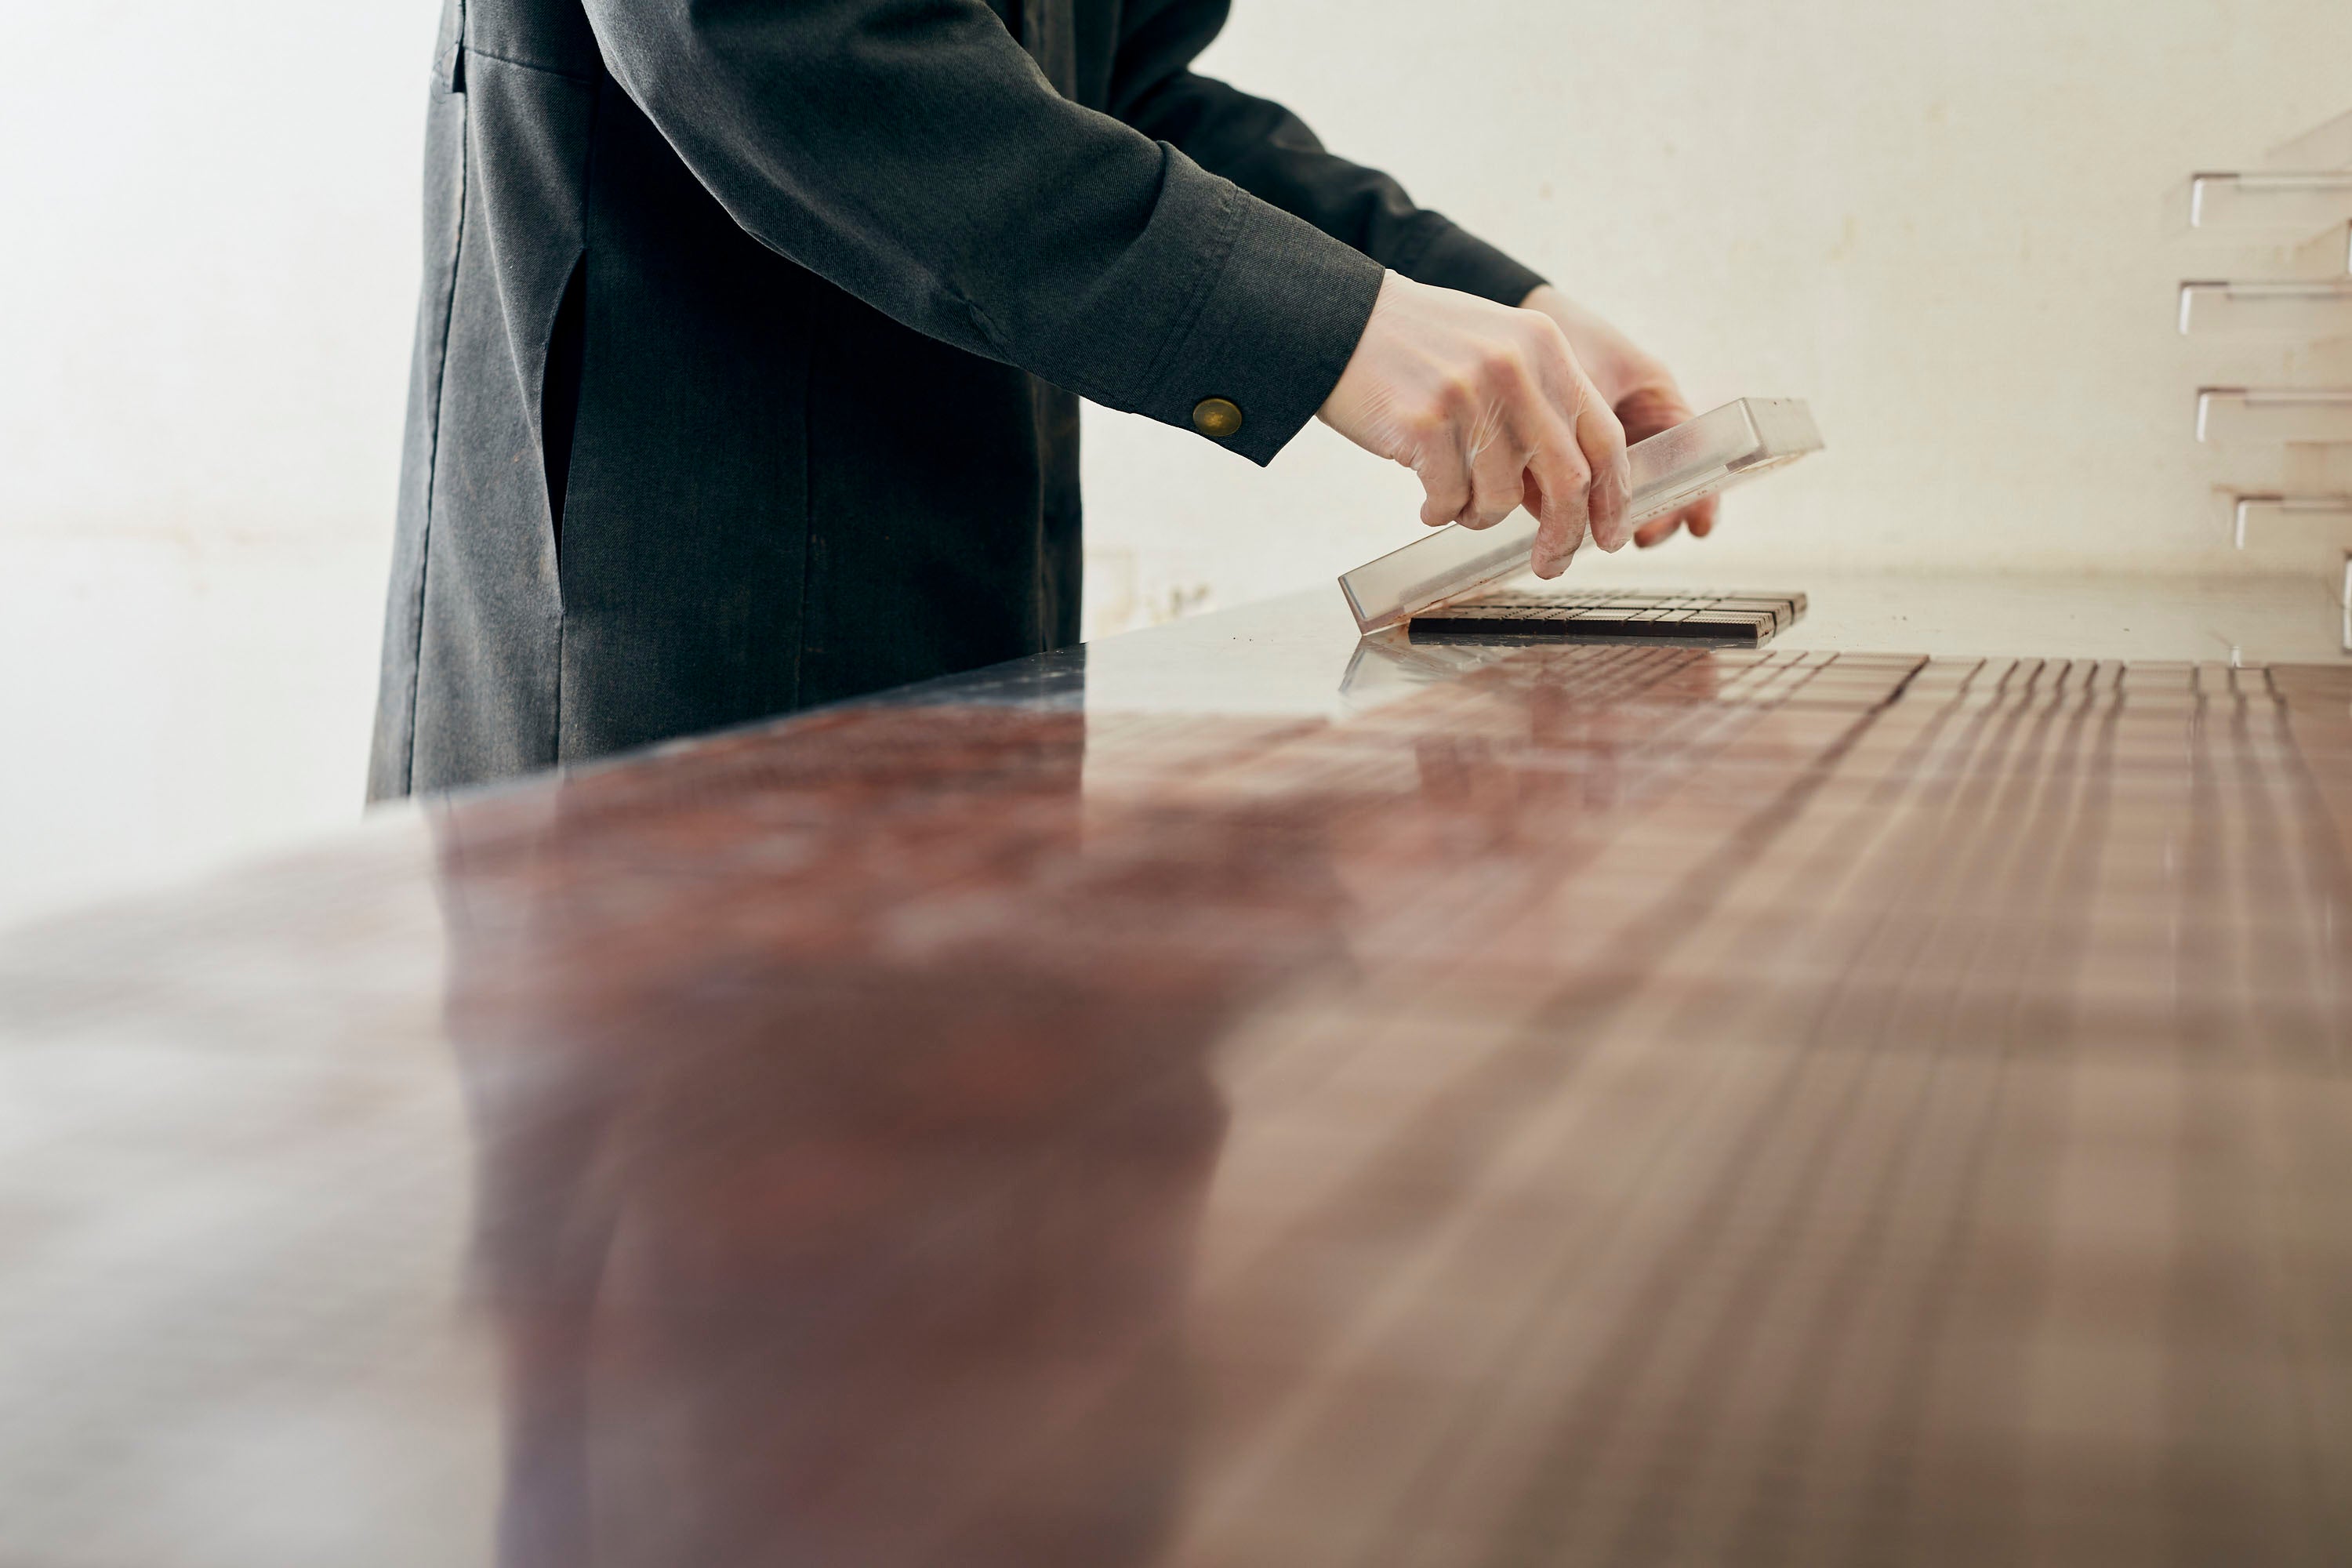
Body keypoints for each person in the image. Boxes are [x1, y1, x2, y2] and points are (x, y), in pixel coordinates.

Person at [367, 0, 1719, 800]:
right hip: (664, 637)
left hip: (963, 636)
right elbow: (771, 36)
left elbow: (1117, 89)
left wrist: (1493, 308)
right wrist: (1334, 327)